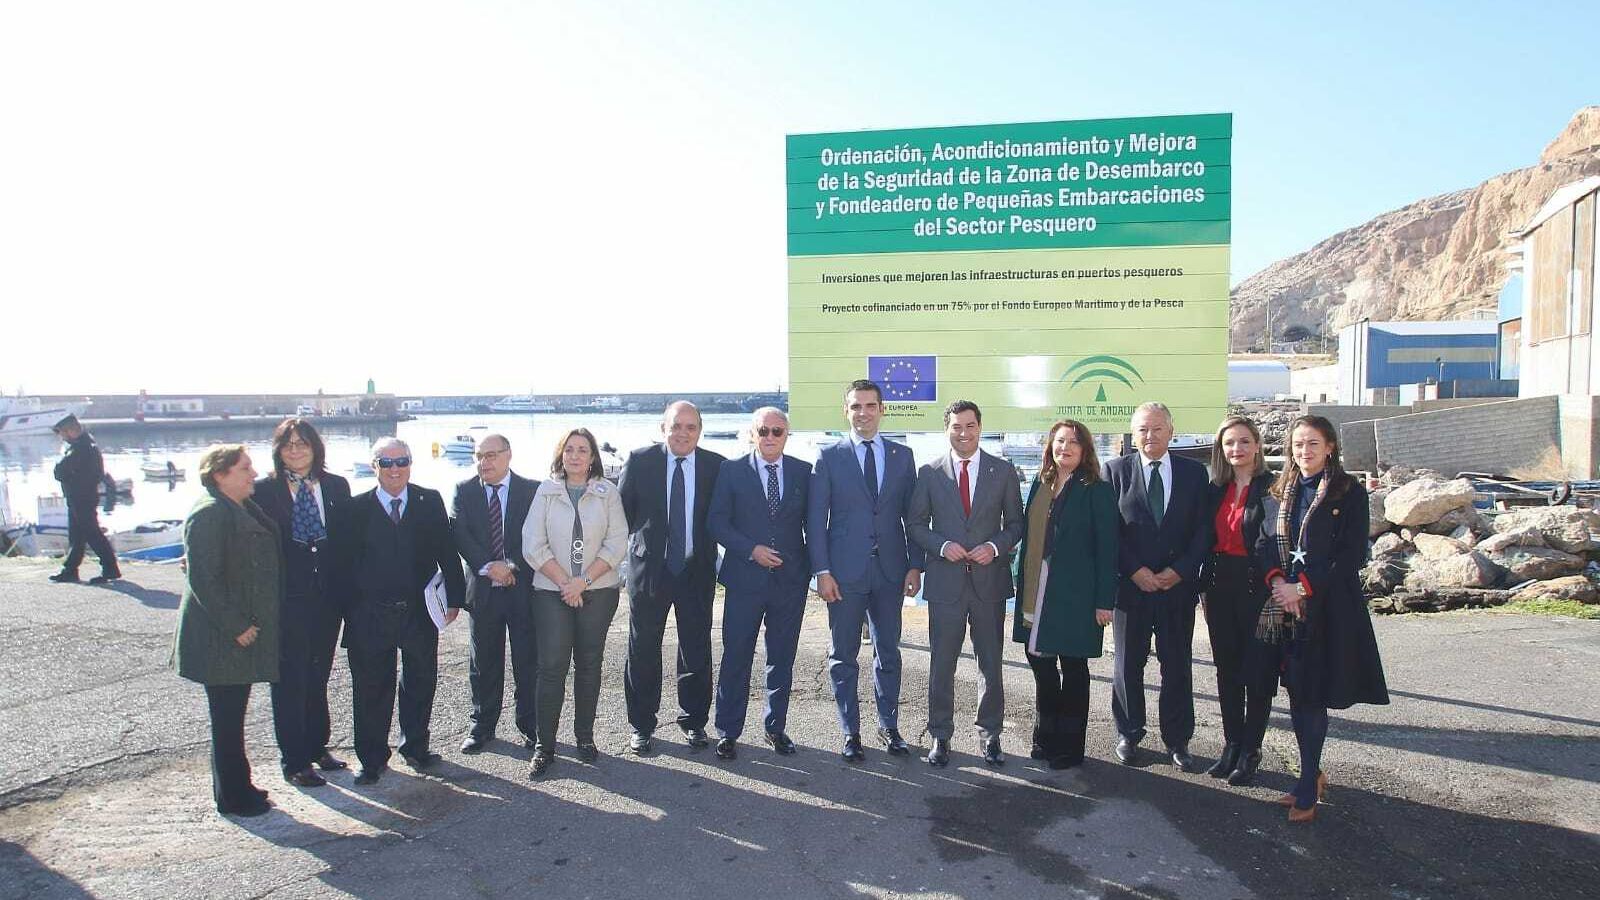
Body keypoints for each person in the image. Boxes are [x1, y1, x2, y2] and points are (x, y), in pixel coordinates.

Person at [1258, 415, 1389, 822]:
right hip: (1285, 606)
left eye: (1312, 443)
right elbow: (1264, 541)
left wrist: (1304, 588)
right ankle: (1310, 774)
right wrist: (1280, 582)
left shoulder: (1348, 492)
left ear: (1330, 446)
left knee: (1314, 693)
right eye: (1298, 444)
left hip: (1327, 608)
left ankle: (1306, 786)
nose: (1304, 451)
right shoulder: (1279, 489)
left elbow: (1351, 555)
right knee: (1297, 692)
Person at [334, 437, 465, 786]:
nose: (395, 469)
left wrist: (454, 598)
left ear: (411, 463)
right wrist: (350, 611)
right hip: (369, 614)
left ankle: (416, 748)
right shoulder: (353, 508)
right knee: (371, 687)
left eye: (402, 461)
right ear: (374, 466)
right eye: (387, 463)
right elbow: (340, 565)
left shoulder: (428, 500)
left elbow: (447, 552)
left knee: (420, 681)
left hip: (418, 611)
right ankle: (372, 758)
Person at [806, 379, 924, 762]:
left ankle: (889, 726)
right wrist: (822, 571)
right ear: (846, 411)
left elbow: (914, 517)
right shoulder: (828, 457)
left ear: (881, 409)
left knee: (888, 652)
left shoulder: (903, 456)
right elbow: (815, 520)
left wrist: (915, 566)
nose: (863, 413)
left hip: (890, 571)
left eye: (870, 406)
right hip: (843, 573)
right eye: (856, 406)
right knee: (843, 655)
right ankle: (850, 730)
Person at [906, 400, 1023, 767]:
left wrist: (993, 547)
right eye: (956, 427)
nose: (964, 433)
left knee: (990, 663)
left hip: (989, 583)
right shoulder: (929, 472)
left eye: (970, 425)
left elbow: (1017, 525)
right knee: (943, 664)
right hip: (945, 584)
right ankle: (940, 735)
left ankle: (990, 734)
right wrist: (942, 545)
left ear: (980, 426)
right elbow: (915, 525)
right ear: (947, 430)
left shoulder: (1002, 471)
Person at [173, 444, 281, 816]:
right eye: (244, 468)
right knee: (226, 718)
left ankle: (237, 785)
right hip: (220, 637)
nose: (253, 474)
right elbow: (205, 579)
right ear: (220, 475)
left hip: (234, 635)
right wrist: (237, 626)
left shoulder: (237, 506)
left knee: (233, 717)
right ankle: (233, 797)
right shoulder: (209, 514)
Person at [1103, 401, 1211, 770]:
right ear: (1133, 435)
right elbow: (1108, 532)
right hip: (1130, 589)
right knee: (1127, 665)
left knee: (1177, 665)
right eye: (1143, 430)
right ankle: (1129, 733)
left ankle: (1178, 739)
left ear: (1171, 430)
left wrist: (1180, 570)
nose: (1150, 436)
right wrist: (1135, 571)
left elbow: (1203, 530)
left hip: (1177, 589)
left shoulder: (1194, 474)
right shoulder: (1114, 471)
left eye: (1157, 429)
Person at [617, 402, 726, 754]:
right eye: (676, 426)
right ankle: (642, 725)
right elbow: (623, 515)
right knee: (643, 648)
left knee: (696, 648)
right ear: (663, 428)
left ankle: (694, 722)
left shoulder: (715, 466)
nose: (683, 433)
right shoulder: (640, 461)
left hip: (696, 571)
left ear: (700, 430)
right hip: (650, 571)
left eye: (690, 427)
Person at [706, 407, 811, 759]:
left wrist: (819, 568)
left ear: (787, 435)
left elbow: (813, 525)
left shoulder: (802, 472)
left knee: (781, 658)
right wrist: (751, 550)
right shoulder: (731, 471)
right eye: (763, 431)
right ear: (752, 434)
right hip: (744, 580)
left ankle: (775, 727)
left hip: (789, 582)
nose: (769, 437)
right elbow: (717, 522)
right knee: (736, 656)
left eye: (777, 431)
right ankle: (727, 731)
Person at [1011, 420, 1117, 769]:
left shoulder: (1096, 490)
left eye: (1073, 442)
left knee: (1073, 669)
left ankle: (1070, 747)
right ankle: (1045, 736)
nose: (1065, 448)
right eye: (1059, 442)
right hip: (1034, 593)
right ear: (1050, 447)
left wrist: (1105, 600)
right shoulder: (1041, 485)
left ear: (1085, 449)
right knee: (1040, 664)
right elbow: (1027, 538)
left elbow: (1108, 549)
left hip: (1076, 596)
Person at [523, 428, 628, 777]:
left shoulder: (607, 493)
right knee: (551, 666)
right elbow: (533, 544)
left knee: (588, 663)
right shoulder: (546, 491)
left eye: (583, 450)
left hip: (598, 590)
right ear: (561, 454)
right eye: (569, 449)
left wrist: (582, 582)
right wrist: (566, 584)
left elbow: (616, 544)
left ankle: (585, 737)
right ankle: (545, 746)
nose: (575, 456)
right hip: (552, 592)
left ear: (593, 456)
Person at [253, 419, 351, 787]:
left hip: (327, 599)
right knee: (289, 679)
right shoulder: (264, 491)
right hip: (285, 600)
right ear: (278, 450)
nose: (295, 450)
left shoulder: (336, 486)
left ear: (315, 447)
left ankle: (316, 745)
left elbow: (346, 542)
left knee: (317, 674)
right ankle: (293, 759)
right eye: (288, 444)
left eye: (302, 443)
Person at [1199, 415, 1277, 785]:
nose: (1237, 449)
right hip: (1219, 585)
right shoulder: (1215, 488)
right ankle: (1231, 744)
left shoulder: (1273, 488)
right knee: (1227, 670)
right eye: (1229, 443)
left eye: (1244, 442)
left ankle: (1251, 748)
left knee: (1257, 671)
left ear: (1257, 445)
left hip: (1258, 587)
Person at [452, 434, 540, 754]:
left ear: (508, 455)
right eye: (479, 456)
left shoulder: (532, 490)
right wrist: (489, 566)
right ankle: (482, 725)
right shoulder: (464, 491)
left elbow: (538, 535)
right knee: (484, 661)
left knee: (528, 660)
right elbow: (461, 535)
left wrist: (511, 565)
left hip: (522, 589)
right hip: (484, 590)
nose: (483, 462)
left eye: (491, 455)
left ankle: (530, 725)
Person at [49, 414, 120, 584]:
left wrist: (62, 469)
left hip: (82, 497)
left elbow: (59, 471)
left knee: (92, 533)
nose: (63, 437)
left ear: (72, 430)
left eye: (63, 433)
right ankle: (70, 569)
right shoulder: (83, 446)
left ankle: (110, 567)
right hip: (79, 497)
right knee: (77, 536)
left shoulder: (82, 448)